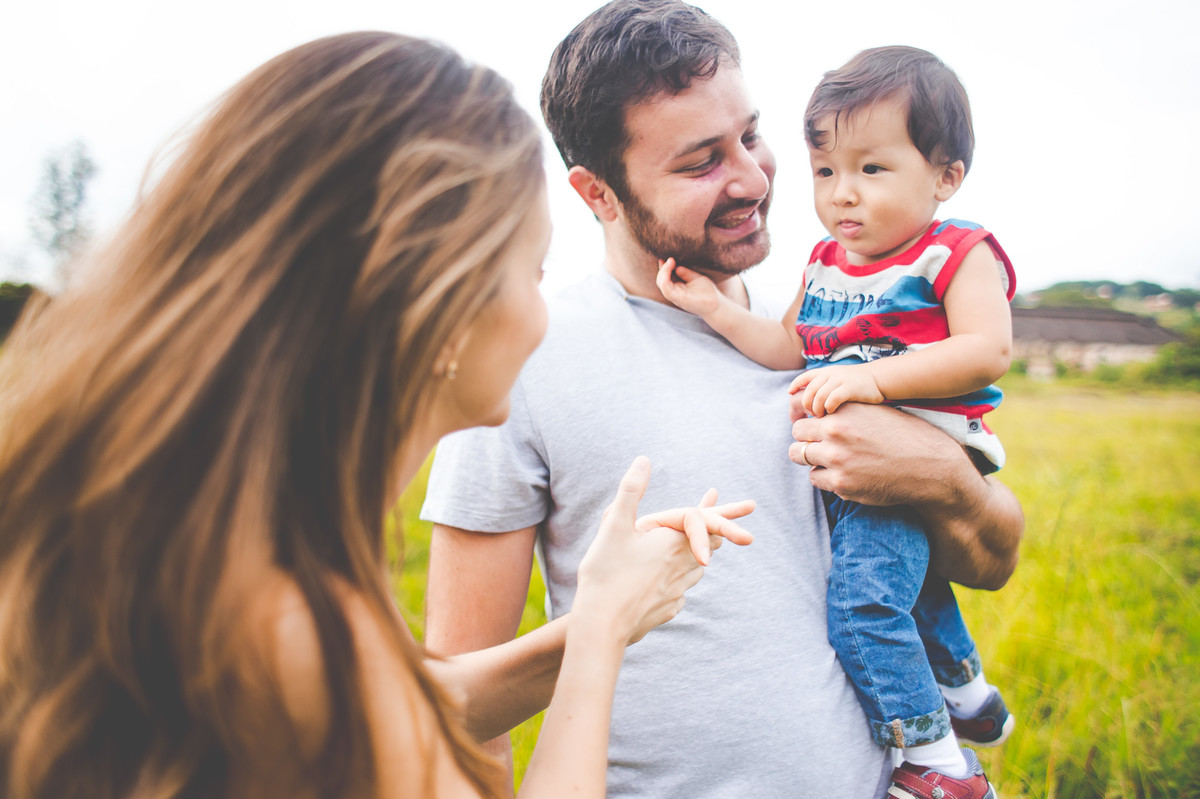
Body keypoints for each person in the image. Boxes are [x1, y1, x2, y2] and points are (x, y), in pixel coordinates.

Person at [0, 32, 756, 799]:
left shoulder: (211, 548)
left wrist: (607, 608)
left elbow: (419, 699)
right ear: (441, 304)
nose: (541, 314)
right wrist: (596, 640)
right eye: (530, 271)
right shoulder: (306, 631)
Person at [422, 3, 1024, 798]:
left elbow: (994, 558)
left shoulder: (832, 319)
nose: (751, 177)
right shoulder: (521, 359)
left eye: (750, 134)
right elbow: (460, 710)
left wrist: (941, 477)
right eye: (701, 161)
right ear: (597, 192)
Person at [657, 44, 1016, 798]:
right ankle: (966, 688)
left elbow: (987, 349)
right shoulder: (824, 261)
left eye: (872, 169)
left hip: (927, 446)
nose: (842, 194)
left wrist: (870, 378)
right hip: (857, 462)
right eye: (826, 172)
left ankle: (937, 763)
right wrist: (717, 308)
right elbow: (790, 345)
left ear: (946, 175)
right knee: (911, 589)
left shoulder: (954, 252)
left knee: (863, 603)